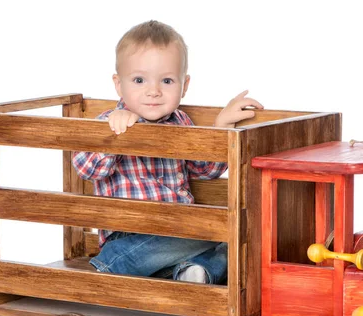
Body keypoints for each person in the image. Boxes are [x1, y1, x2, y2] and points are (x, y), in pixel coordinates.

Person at [72, 20, 263, 284]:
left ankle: (194, 272)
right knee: (220, 229)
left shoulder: (182, 121)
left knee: (233, 247)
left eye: (167, 80)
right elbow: (86, 167)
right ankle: (113, 261)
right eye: (139, 80)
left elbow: (204, 169)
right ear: (119, 85)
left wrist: (221, 127)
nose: (153, 91)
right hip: (131, 236)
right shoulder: (110, 121)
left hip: (180, 232)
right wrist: (113, 137)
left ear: (184, 86)